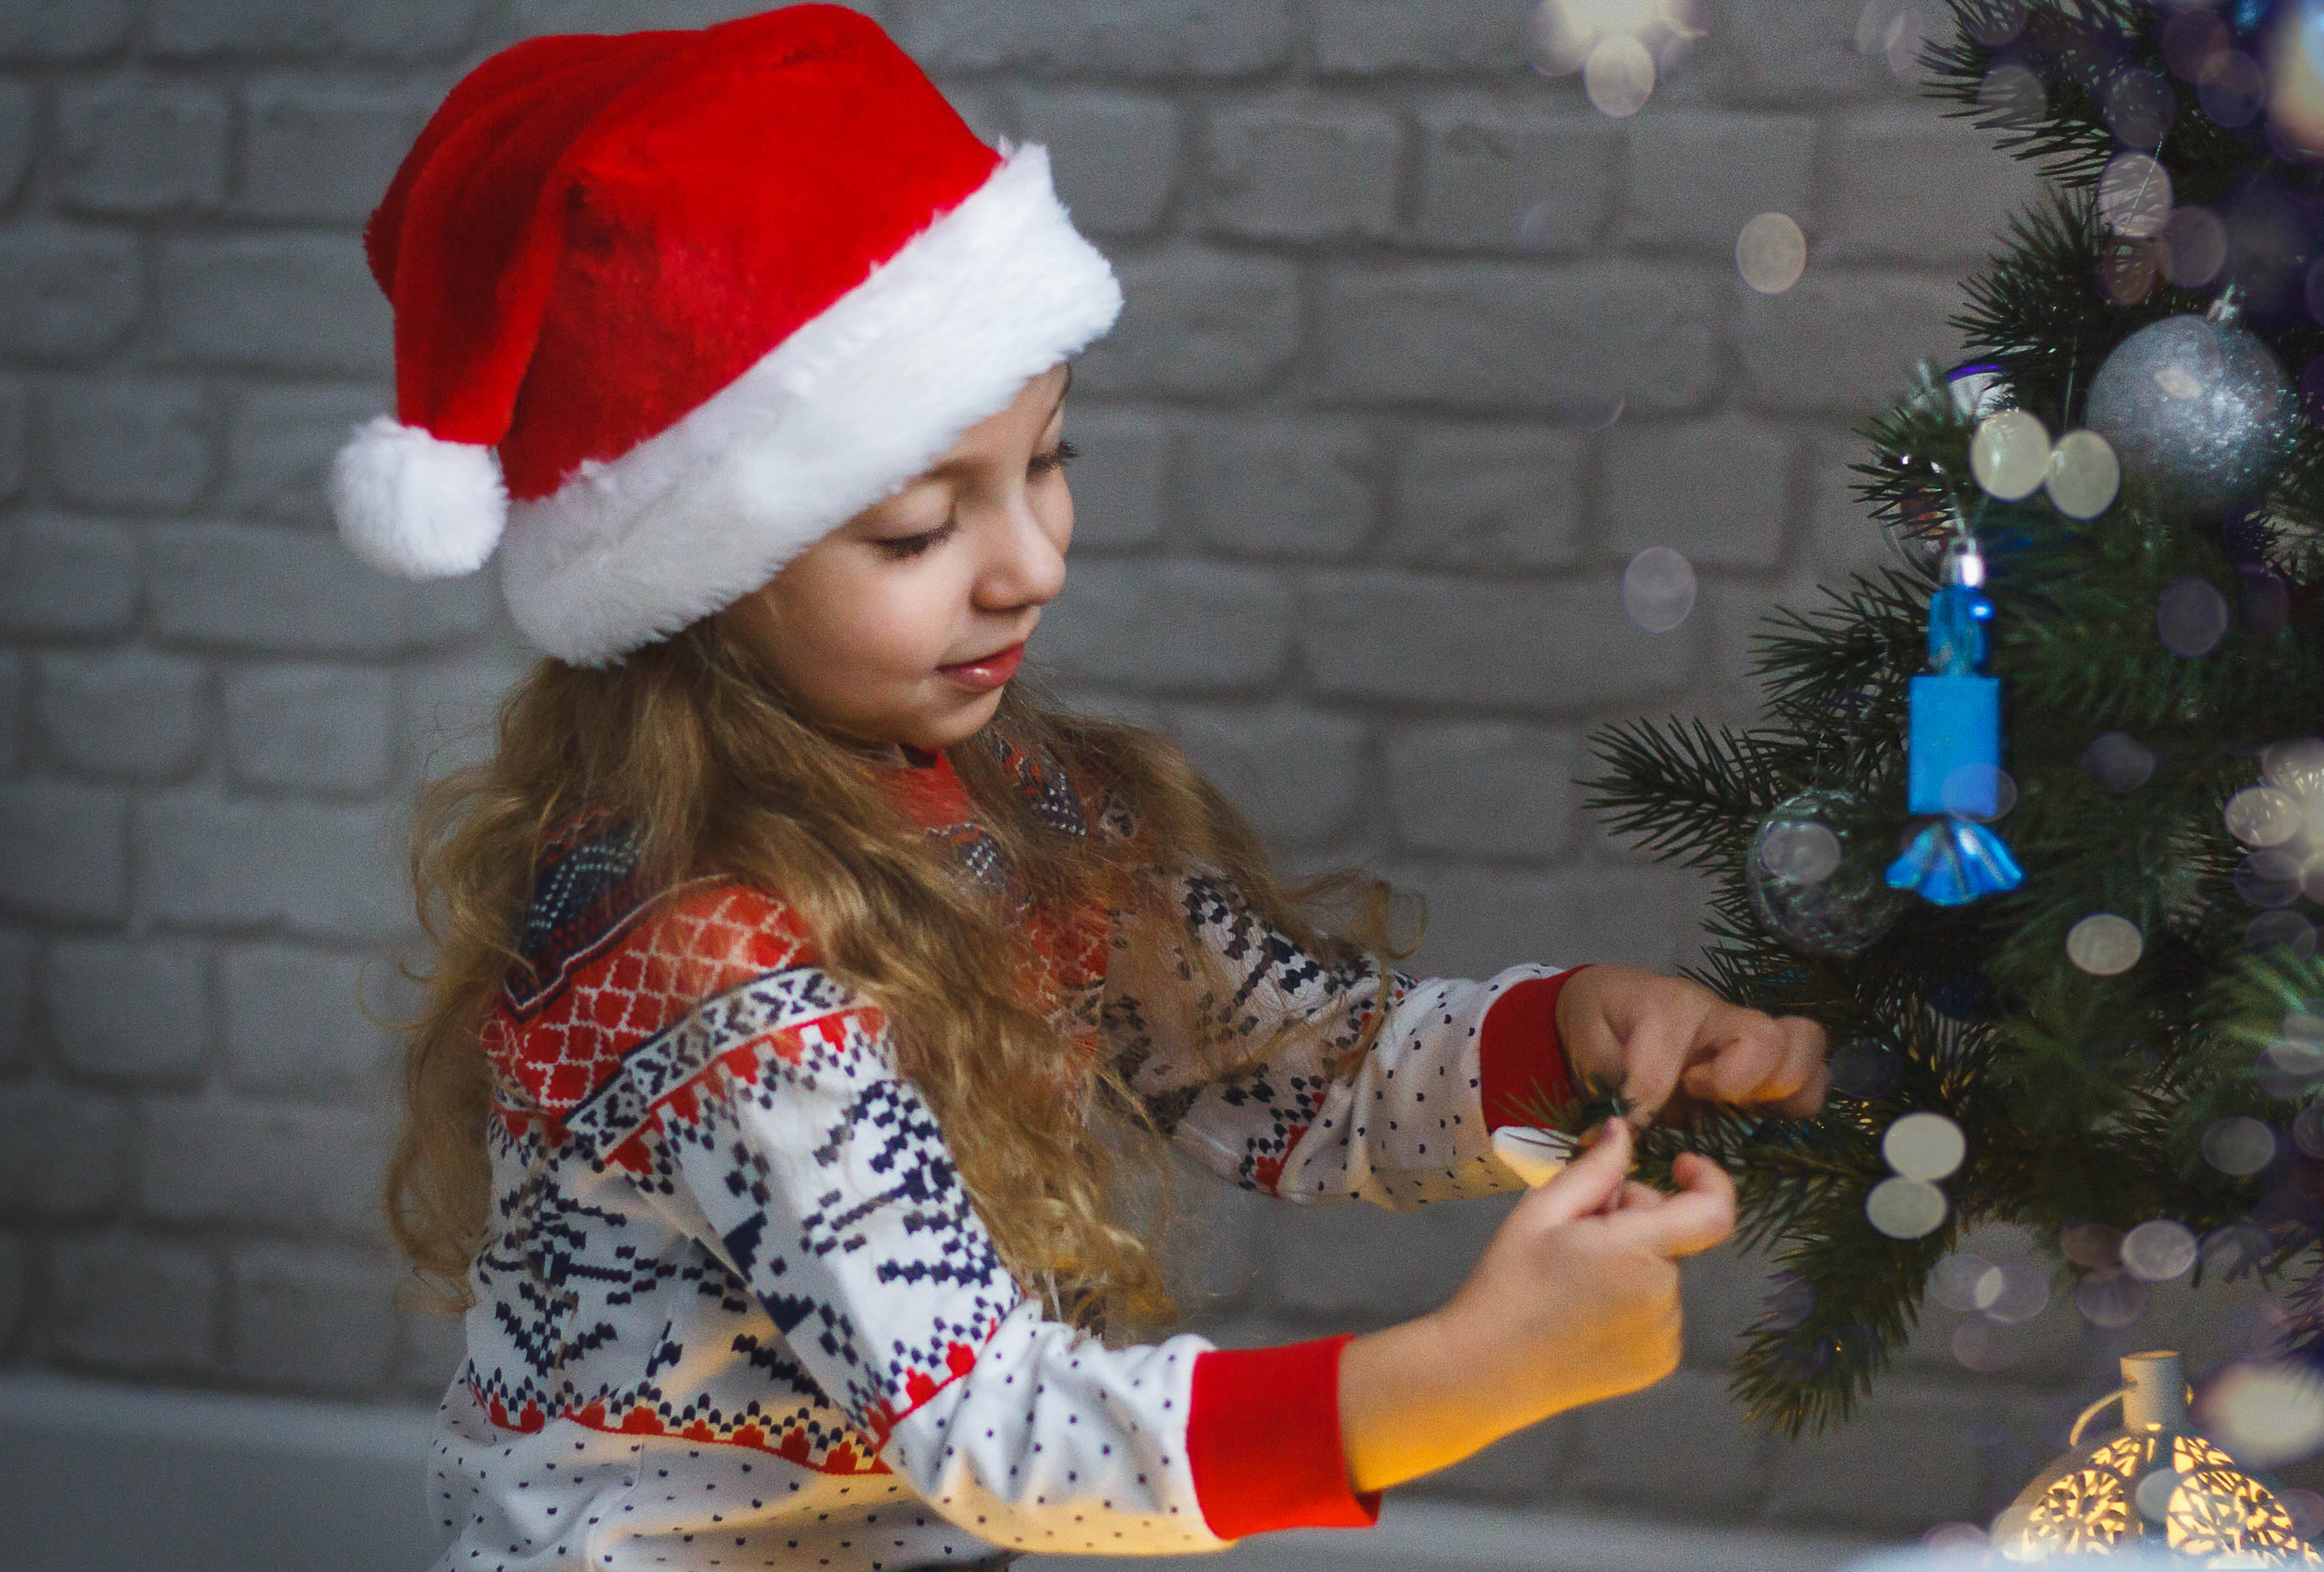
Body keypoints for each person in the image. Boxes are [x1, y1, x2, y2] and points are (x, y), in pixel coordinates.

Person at [332, 9, 1830, 1569]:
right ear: (705, 574)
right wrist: (1457, 1378)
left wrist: (1565, 1035)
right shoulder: (702, 952)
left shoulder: (1007, 800)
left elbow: (1284, 1064)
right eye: (920, 530)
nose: (1033, 562)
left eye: (1048, 459)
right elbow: (995, 1430)